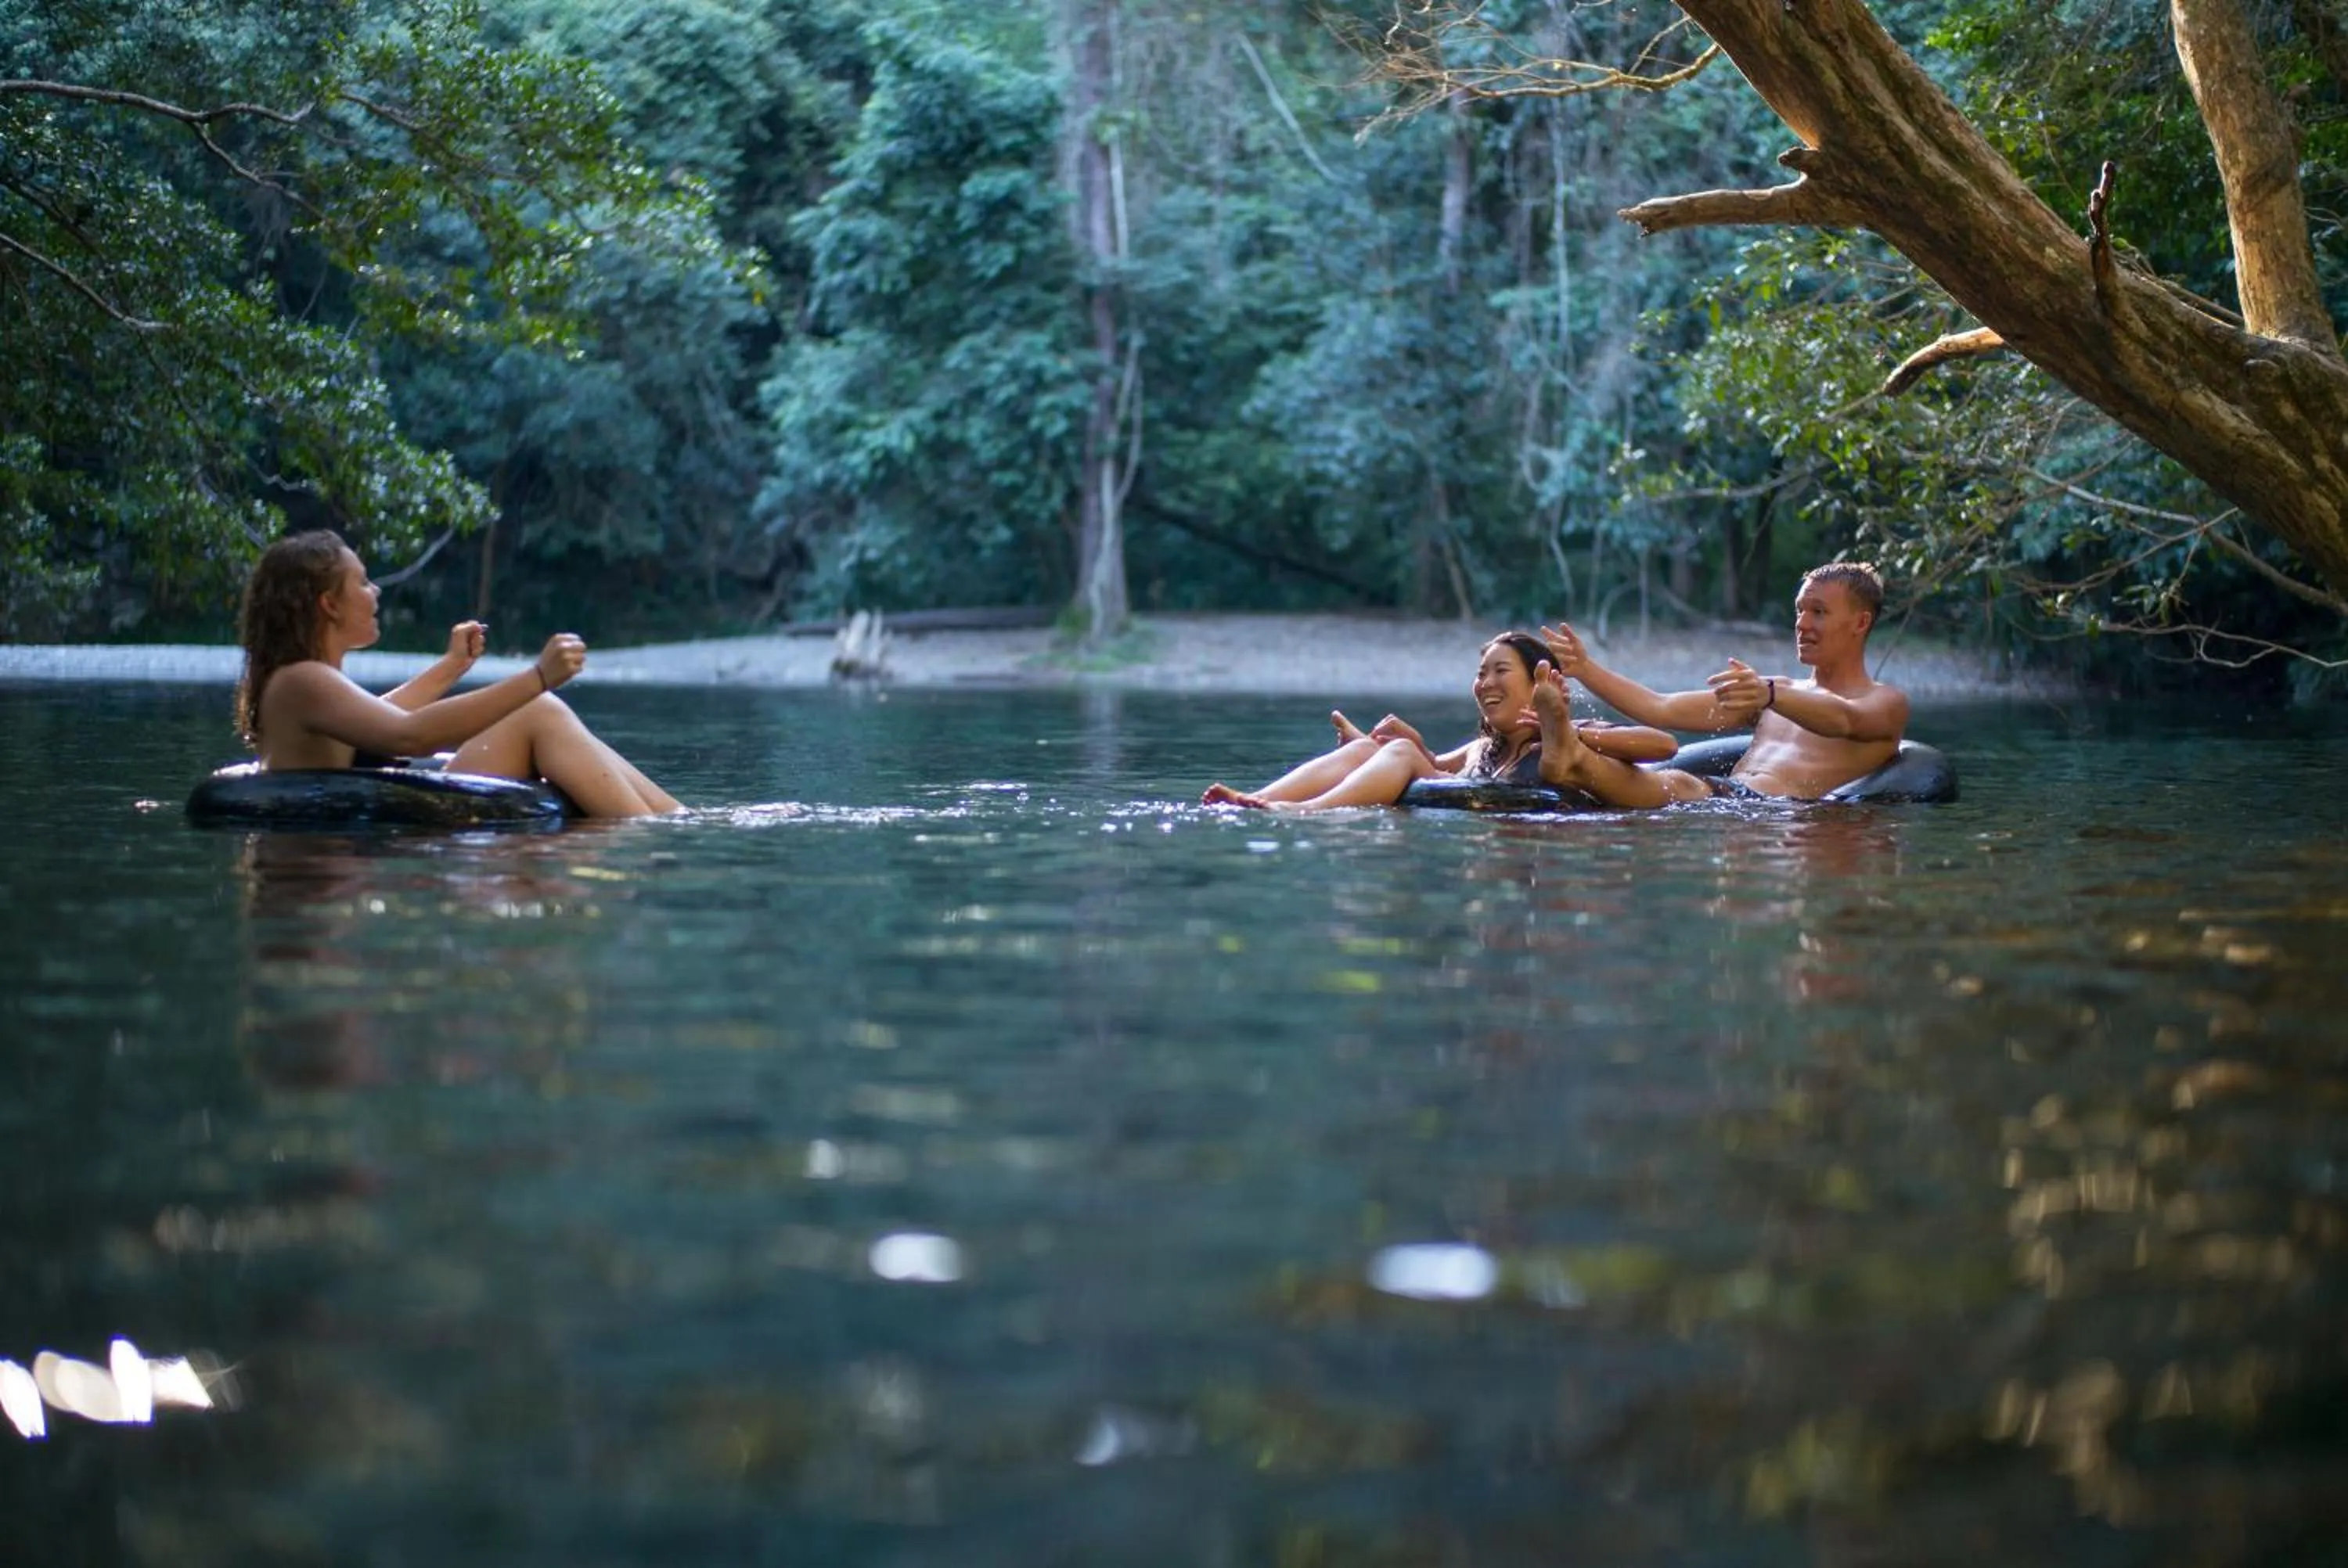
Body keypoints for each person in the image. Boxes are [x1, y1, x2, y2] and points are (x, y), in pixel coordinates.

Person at [234, 530, 682, 818]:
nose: (375, 592)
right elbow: (408, 736)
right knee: (538, 709)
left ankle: (671, 817)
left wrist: (452, 667)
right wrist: (538, 677)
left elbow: (377, 719)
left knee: (539, 710)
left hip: (364, 817)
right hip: (355, 830)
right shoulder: (302, 681)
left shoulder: (306, 682)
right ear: (329, 604)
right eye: (364, 582)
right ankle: (651, 831)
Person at [1536, 560, 1910, 806]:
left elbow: (1843, 720)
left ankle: (1574, 754)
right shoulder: (1770, 692)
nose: (1802, 624)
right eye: (1799, 610)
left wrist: (1770, 695)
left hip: (1773, 813)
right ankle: (1569, 753)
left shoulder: (1885, 703)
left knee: (1681, 785)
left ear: (1861, 623)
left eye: (1819, 612)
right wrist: (1585, 669)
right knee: (1674, 785)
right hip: (1732, 805)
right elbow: (1660, 707)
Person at [1201, 631, 1676, 812]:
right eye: (1480, 673)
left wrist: (1567, 730)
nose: (1485, 682)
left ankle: (1304, 812)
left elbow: (1663, 746)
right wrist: (1377, 745)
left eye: (1500, 671)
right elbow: (1435, 769)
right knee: (1376, 748)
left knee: (1401, 753)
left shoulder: (1577, 741)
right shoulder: (1481, 751)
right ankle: (1262, 798)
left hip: (1566, 799)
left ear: (1541, 684)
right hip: (1485, 798)